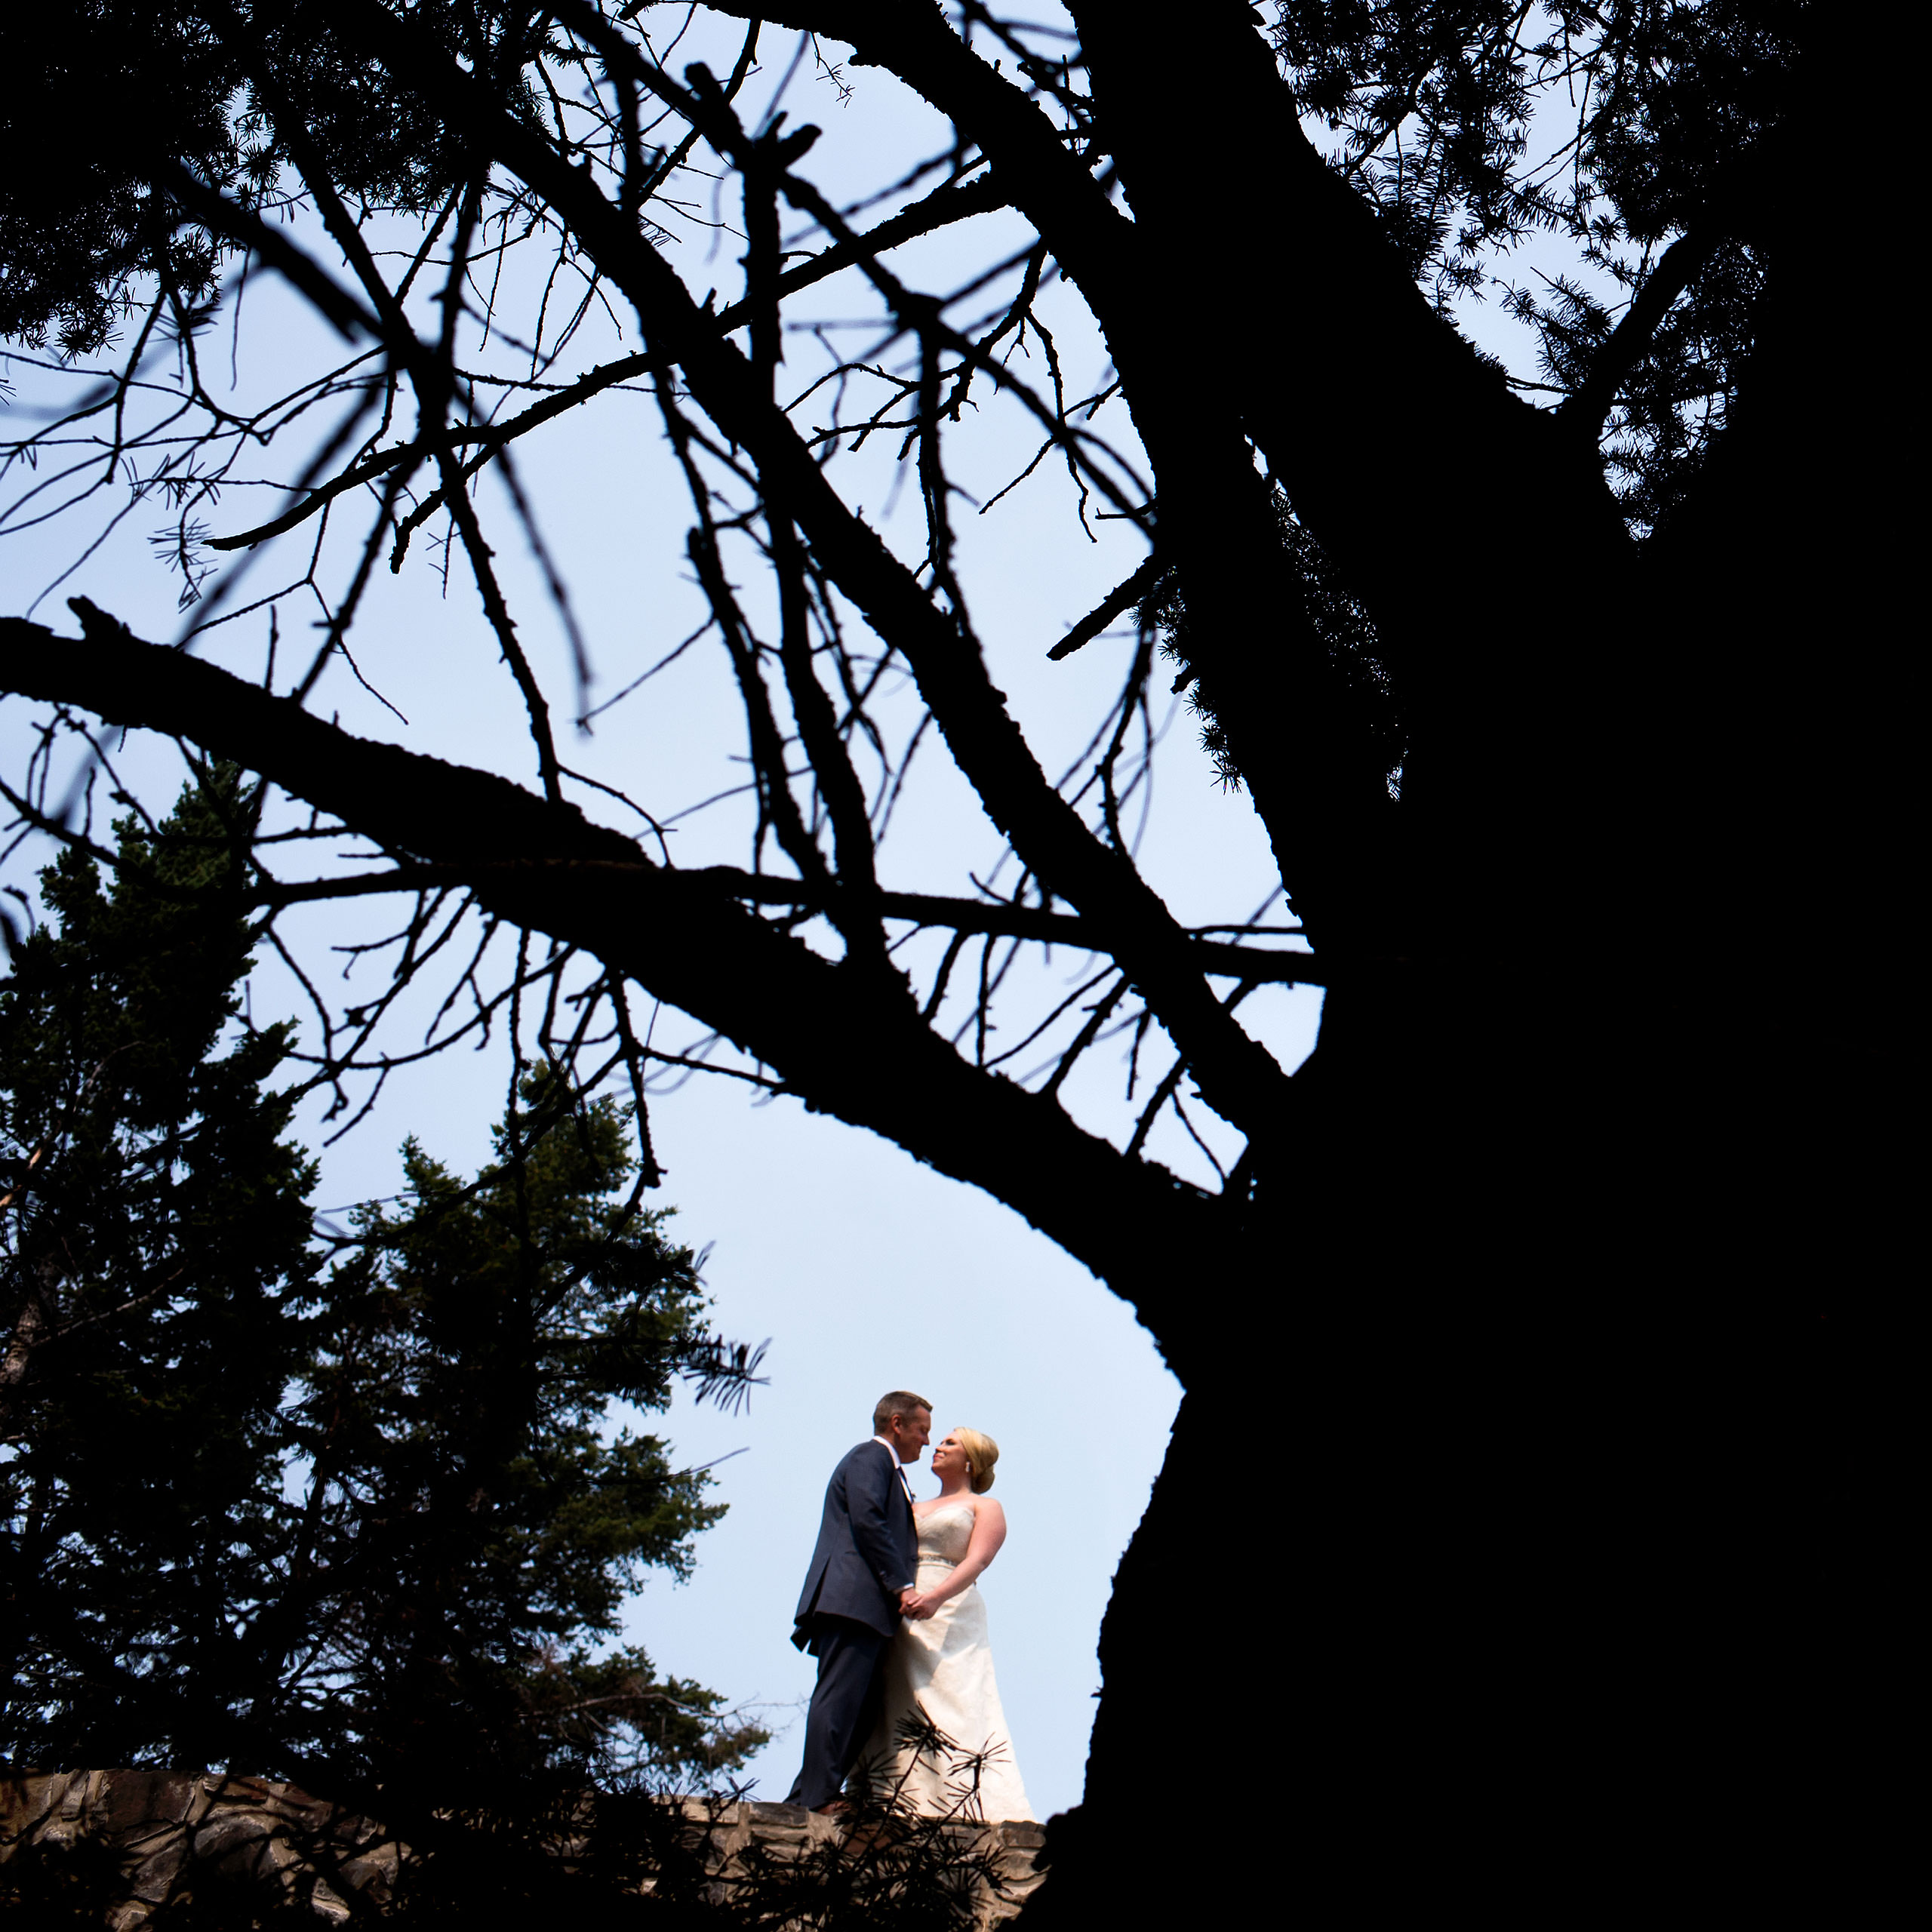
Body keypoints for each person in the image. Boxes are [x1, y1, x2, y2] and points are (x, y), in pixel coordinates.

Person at [855, 1426, 1035, 1822]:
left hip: (950, 1606)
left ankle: (960, 1796)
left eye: (950, 1442)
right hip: (902, 1604)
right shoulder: (911, 1505)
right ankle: (894, 1795)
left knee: (953, 1695)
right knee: (899, 1696)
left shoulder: (986, 1508)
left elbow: (978, 1560)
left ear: (970, 1459)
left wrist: (936, 1597)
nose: (937, 1446)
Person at [786, 1390, 934, 1813]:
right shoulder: (869, 1458)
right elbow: (868, 1519)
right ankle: (816, 1799)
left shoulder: (886, 1466)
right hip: (853, 1599)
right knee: (839, 1698)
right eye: (922, 1430)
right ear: (897, 1425)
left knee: (863, 1706)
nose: (926, 1441)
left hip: (866, 1607)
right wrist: (901, 1585)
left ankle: (806, 1796)